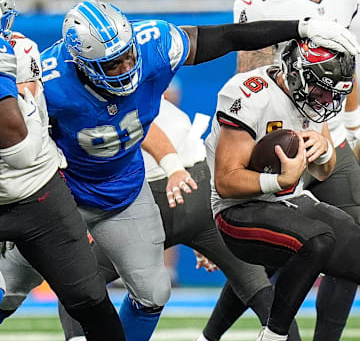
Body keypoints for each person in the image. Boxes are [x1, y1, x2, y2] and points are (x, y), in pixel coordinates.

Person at [36, 0, 360, 341]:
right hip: (78, 192)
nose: (127, 65)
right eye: (113, 63)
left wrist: (323, 152)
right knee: (49, 283)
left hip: (139, 191)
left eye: (129, 53)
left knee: (155, 291)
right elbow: (226, 182)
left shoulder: (154, 46)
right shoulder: (48, 83)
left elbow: (225, 36)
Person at [0, 96, 301, 340]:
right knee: (259, 289)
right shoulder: (139, 83)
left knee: (81, 284)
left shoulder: (74, 96)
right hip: (198, 190)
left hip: (149, 192)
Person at [196, 0, 360, 340]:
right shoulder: (248, 95)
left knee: (348, 246)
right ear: (299, 72)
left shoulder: (316, 97)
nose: (326, 100)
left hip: (290, 200)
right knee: (315, 240)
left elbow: (326, 170)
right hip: (240, 207)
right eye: (321, 90)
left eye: (333, 93)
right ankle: (272, 335)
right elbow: (226, 181)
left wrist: (325, 149)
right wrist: (279, 182)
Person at [0, 0, 127, 340]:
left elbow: (25, 144)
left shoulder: (21, 49)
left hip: (36, 189)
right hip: (25, 177)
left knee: (88, 296)